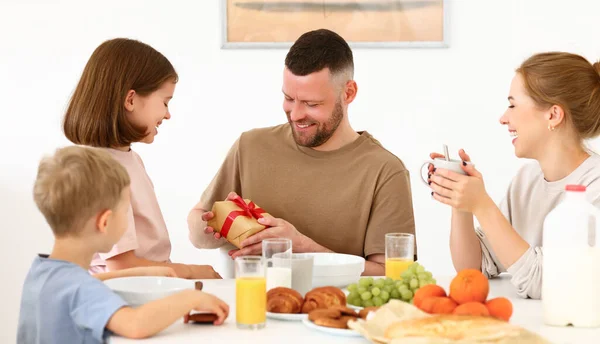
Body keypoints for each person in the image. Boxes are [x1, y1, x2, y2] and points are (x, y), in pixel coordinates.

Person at [187, 29, 416, 278]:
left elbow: (391, 276)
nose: (295, 114)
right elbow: (198, 224)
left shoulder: (384, 170)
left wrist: (303, 247)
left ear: (348, 93)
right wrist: (218, 228)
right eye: (288, 98)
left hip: (337, 313)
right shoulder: (251, 146)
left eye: (311, 104)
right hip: (251, 309)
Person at [427, 52, 600, 299]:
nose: (503, 118)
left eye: (512, 104)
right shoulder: (526, 180)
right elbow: (473, 268)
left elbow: (546, 282)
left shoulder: (595, 186)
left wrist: (483, 205)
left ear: (553, 115)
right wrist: (463, 203)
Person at [17, 146, 229, 344]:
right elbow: (135, 324)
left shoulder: (42, 272)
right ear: (105, 222)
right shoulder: (81, 290)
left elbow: (89, 281)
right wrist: (191, 298)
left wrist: (144, 272)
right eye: (125, 212)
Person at [63, 38, 220, 278]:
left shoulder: (128, 159)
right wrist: (191, 271)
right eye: (165, 102)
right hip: (118, 297)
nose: (167, 114)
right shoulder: (104, 171)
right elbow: (122, 267)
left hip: (143, 287)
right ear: (130, 100)